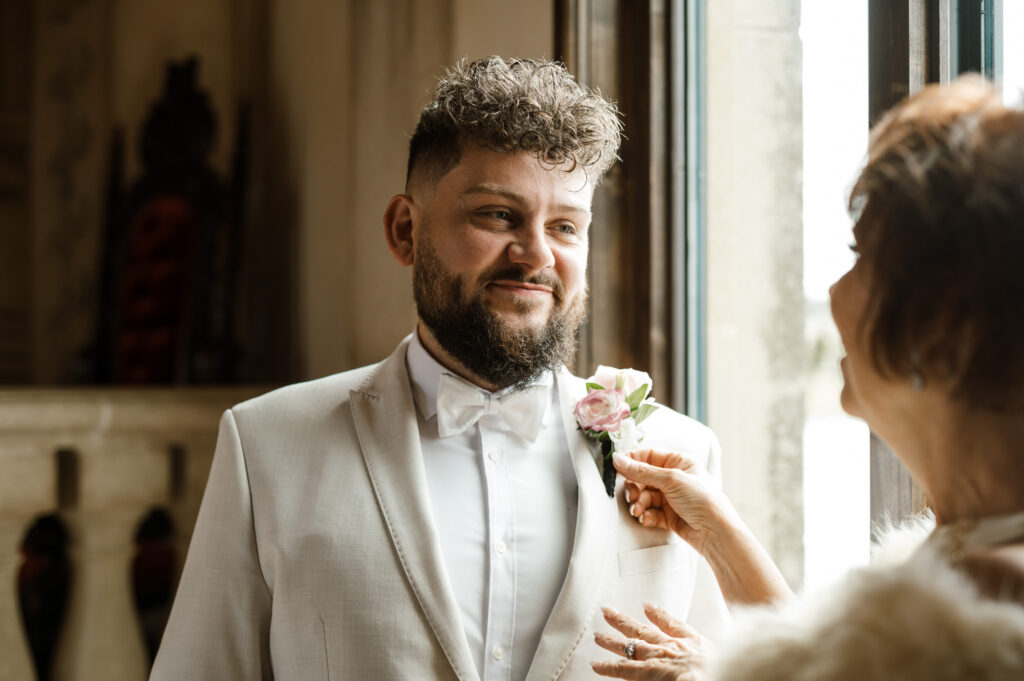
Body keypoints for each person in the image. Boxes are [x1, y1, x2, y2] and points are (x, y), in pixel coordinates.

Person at [149, 56, 731, 681]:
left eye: (565, 226)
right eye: (497, 215)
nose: (536, 253)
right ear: (405, 230)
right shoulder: (265, 445)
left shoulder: (679, 451)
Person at [590, 76, 1024, 681]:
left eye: (859, 257)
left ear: (937, 320)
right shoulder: (969, 552)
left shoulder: (992, 603)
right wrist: (718, 533)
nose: (834, 291)